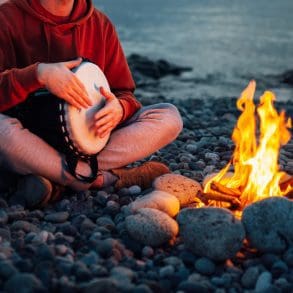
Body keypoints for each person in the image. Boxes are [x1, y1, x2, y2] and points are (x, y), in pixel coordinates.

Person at [0, 0, 183, 208]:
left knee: (169, 116)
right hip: (29, 137)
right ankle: (105, 179)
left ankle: (53, 175)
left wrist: (119, 109)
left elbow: (124, 92)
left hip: (89, 140)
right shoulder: (7, 17)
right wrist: (38, 74)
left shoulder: (100, 24)